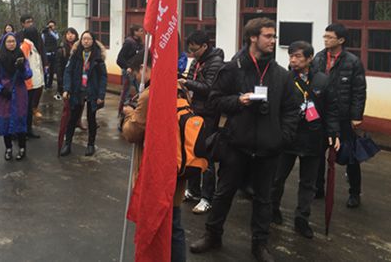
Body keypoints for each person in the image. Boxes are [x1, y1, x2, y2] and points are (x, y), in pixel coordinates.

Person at [190, 17, 300, 262]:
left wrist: (282, 137)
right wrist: (237, 101)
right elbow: (214, 100)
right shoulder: (232, 69)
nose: (273, 41)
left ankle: (259, 245)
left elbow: (292, 109)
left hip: (268, 150)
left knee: (264, 200)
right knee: (223, 193)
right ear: (253, 38)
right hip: (236, 145)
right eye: (268, 36)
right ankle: (212, 235)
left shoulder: (281, 75)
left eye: (274, 36)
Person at [270, 41, 340, 239]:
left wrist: (333, 133)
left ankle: (302, 218)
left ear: (310, 59)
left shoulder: (323, 81)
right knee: (277, 178)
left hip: (313, 139)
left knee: (308, 183)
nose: (293, 60)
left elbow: (332, 110)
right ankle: (273, 209)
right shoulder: (283, 79)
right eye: (291, 56)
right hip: (288, 138)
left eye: (298, 56)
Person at [122, 50, 187, 262]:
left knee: (159, 224)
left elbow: (132, 132)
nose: (136, 78)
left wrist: (129, 113)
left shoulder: (151, 94)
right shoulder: (178, 87)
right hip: (177, 164)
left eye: (135, 73)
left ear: (144, 68)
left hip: (157, 167)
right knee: (174, 223)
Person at [311, 23, 367, 208]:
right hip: (321, 115)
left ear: (341, 40)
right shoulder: (318, 58)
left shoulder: (352, 61)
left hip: (343, 117)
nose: (326, 40)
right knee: (317, 154)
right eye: (324, 37)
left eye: (330, 37)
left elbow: (359, 90)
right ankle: (317, 188)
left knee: (350, 155)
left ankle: (355, 193)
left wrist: (356, 115)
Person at [179, 30, 224, 214]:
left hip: (209, 113)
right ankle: (193, 190)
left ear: (205, 46)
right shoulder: (198, 60)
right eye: (190, 50)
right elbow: (190, 78)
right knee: (191, 149)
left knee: (206, 154)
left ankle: (207, 197)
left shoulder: (215, 62)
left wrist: (187, 83)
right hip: (195, 111)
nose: (192, 54)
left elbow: (209, 88)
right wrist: (184, 81)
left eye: (195, 50)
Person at [60, 31, 107, 157]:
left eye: (88, 39)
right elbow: (68, 72)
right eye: (83, 39)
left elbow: (103, 77)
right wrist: (66, 89)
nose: (86, 41)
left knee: (91, 119)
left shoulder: (97, 57)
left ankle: (90, 144)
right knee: (72, 118)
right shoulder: (75, 55)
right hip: (77, 91)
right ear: (80, 41)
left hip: (92, 91)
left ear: (93, 41)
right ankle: (67, 144)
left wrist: (101, 95)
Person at [0, 32, 33, 160]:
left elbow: (28, 75)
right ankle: (8, 148)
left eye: (13, 41)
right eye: (8, 41)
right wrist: (0, 89)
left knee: (20, 120)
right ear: (4, 43)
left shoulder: (21, 57)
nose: (11, 44)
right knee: (5, 122)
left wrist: (22, 69)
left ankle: (22, 147)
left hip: (19, 93)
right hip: (3, 95)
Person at [20, 26, 45, 138]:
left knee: (29, 108)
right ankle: (24, 131)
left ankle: (28, 130)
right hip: (28, 82)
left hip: (33, 81)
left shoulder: (32, 46)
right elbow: (23, 64)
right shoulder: (25, 46)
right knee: (26, 108)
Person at [116, 24, 145, 121]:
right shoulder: (129, 43)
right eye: (140, 30)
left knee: (139, 92)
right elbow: (120, 59)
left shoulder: (140, 43)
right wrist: (127, 67)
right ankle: (122, 114)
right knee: (126, 93)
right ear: (135, 32)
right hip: (129, 72)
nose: (142, 32)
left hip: (138, 72)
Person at [55, 27, 79, 100]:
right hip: (65, 76)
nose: (70, 36)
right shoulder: (62, 48)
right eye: (68, 34)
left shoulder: (79, 47)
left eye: (72, 33)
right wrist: (60, 79)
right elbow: (58, 66)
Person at [42, 20, 59, 90]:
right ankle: (45, 84)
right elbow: (42, 42)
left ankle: (50, 84)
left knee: (52, 70)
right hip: (46, 54)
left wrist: (50, 31)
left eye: (52, 26)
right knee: (45, 69)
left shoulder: (55, 33)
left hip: (53, 54)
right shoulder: (44, 34)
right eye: (49, 26)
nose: (51, 27)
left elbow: (56, 38)